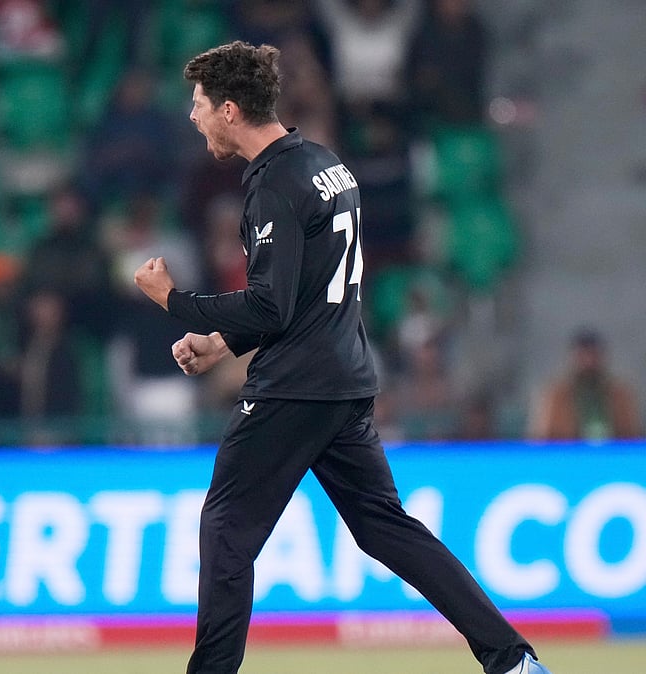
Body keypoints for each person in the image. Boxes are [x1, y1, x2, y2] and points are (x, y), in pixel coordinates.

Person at [131, 42, 550, 674]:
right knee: (386, 528)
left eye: (199, 105)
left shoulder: (274, 184)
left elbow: (272, 307)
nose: (193, 117)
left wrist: (176, 301)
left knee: (226, 530)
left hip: (292, 387)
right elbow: (305, 294)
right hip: (343, 378)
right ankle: (512, 659)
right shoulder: (326, 165)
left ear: (229, 109)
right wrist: (222, 341)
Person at [527, 327, 642, 441]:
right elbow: (543, 436)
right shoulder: (557, 395)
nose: (589, 362)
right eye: (583, 356)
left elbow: (632, 435)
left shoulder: (620, 394)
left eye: (593, 355)